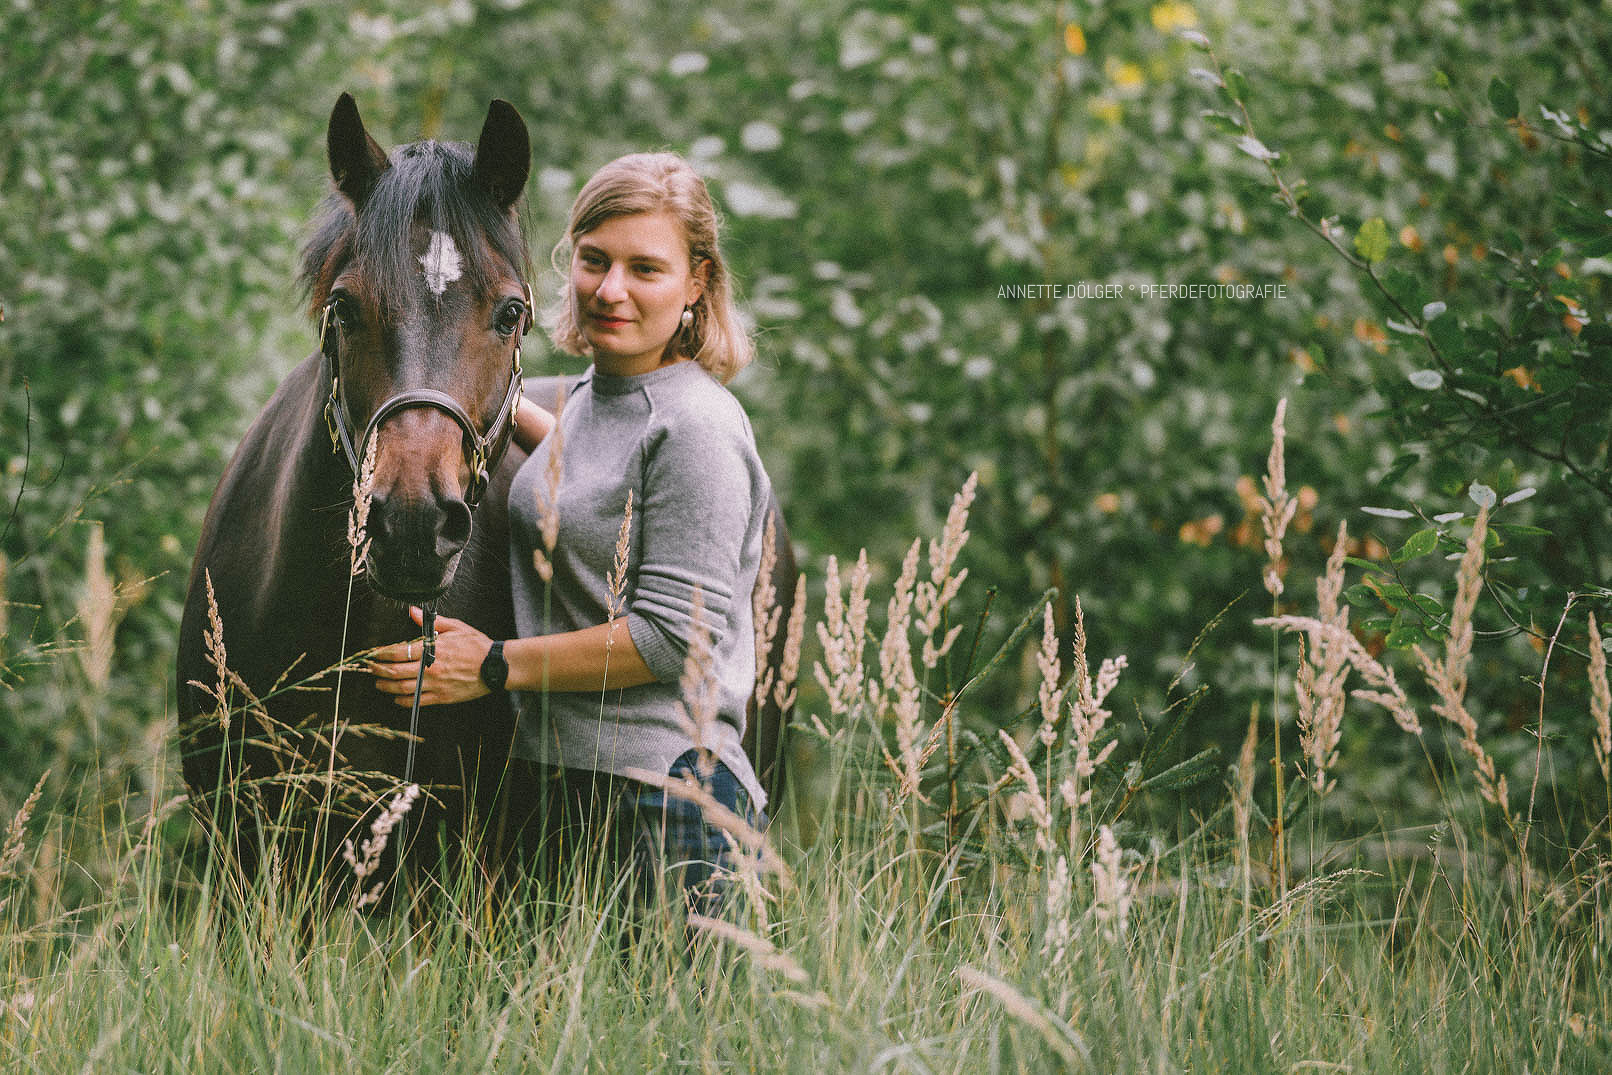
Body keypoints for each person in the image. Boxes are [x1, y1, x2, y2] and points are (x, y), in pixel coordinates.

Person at [368, 152, 770, 918]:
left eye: (645, 268)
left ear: (697, 283)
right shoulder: (597, 399)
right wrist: (451, 395)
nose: (611, 290)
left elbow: (667, 640)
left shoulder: (699, 427)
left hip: (665, 813)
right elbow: (595, 480)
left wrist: (490, 665)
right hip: (566, 802)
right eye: (595, 260)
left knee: (673, 1043)